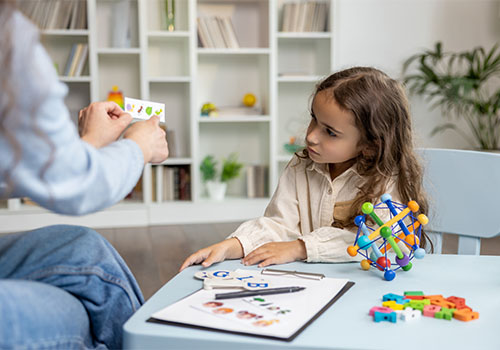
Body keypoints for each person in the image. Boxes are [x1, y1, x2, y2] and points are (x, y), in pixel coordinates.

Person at [0, 2, 169, 349]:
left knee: (84, 248)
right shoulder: (11, 42)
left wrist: (87, 146)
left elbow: (24, 167)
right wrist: (138, 146)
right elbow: (76, 187)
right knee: (71, 315)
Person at [180, 66, 432, 271]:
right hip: (309, 285)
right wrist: (232, 245)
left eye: (330, 132)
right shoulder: (301, 165)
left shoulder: (387, 179)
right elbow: (279, 224)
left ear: (369, 145)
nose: (311, 136)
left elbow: (379, 240)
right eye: (314, 119)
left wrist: (300, 248)